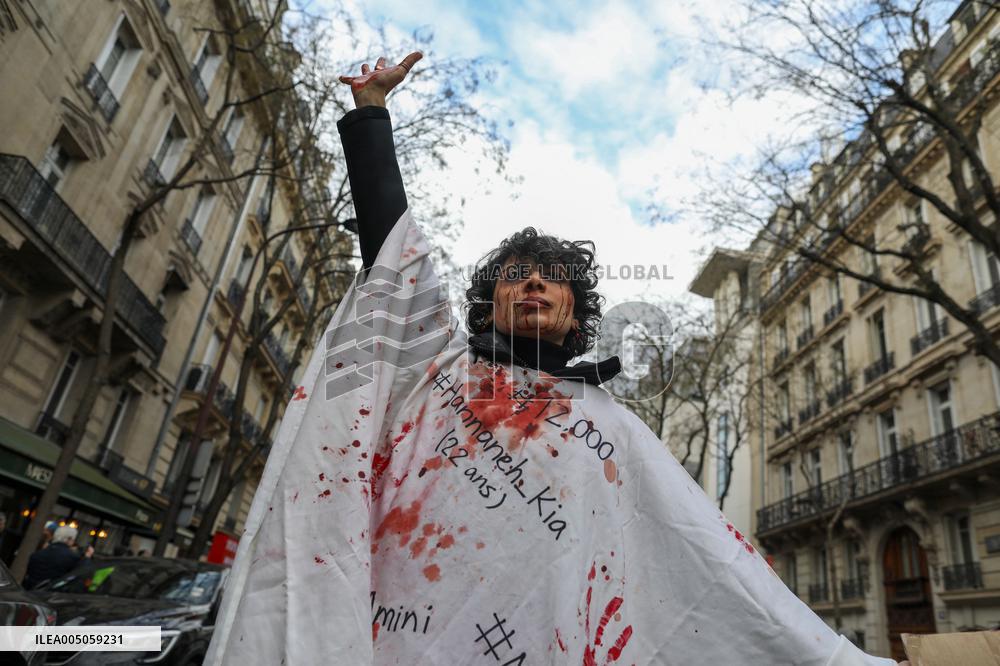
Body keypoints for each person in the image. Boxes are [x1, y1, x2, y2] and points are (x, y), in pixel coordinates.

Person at [207, 54, 906, 665]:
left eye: (551, 276)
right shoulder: (438, 369)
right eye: (516, 274)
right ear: (489, 305)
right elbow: (391, 247)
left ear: (576, 312)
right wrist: (371, 113)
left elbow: (710, 568)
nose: (534, 282)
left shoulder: (614, 431)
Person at [23, 525, 90, 589]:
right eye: (73, 539)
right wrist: (87, 557)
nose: (73, 542)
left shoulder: (37, 554)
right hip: (51, 597)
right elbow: (80, 574)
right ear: (69, 539)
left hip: (29, 593)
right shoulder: (72, 558)